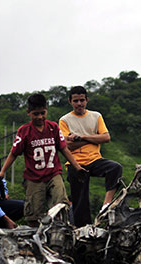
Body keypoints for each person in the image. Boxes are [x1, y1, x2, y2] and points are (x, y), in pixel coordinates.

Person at [0, 93, 87, 227]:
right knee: (33, 214)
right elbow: (14, 153)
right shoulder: (24, 131)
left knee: (61, 205)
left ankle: (60, 234)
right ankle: (36, 240)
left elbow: (64, 149)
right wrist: (2, 172)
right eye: (35, 114)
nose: (39, 117)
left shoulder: (53, 127)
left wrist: (77, 167)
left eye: (42, 113)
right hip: (34, 178)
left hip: (53, 173)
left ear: (46, 111)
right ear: (29, 113)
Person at [59, 86, 123, 227]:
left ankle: (106, 205)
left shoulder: (96, 116)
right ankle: (83, 230)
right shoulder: (65, 120)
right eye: (76, 101)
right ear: (70, 101)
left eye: (82, 100)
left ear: (87, 100)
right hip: (75, 163)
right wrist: (93, 138)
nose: (79, 104)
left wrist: (80, 137)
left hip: (95, 159)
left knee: (115, 168)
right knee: (81, 201)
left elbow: (106, 137)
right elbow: (66, 146)